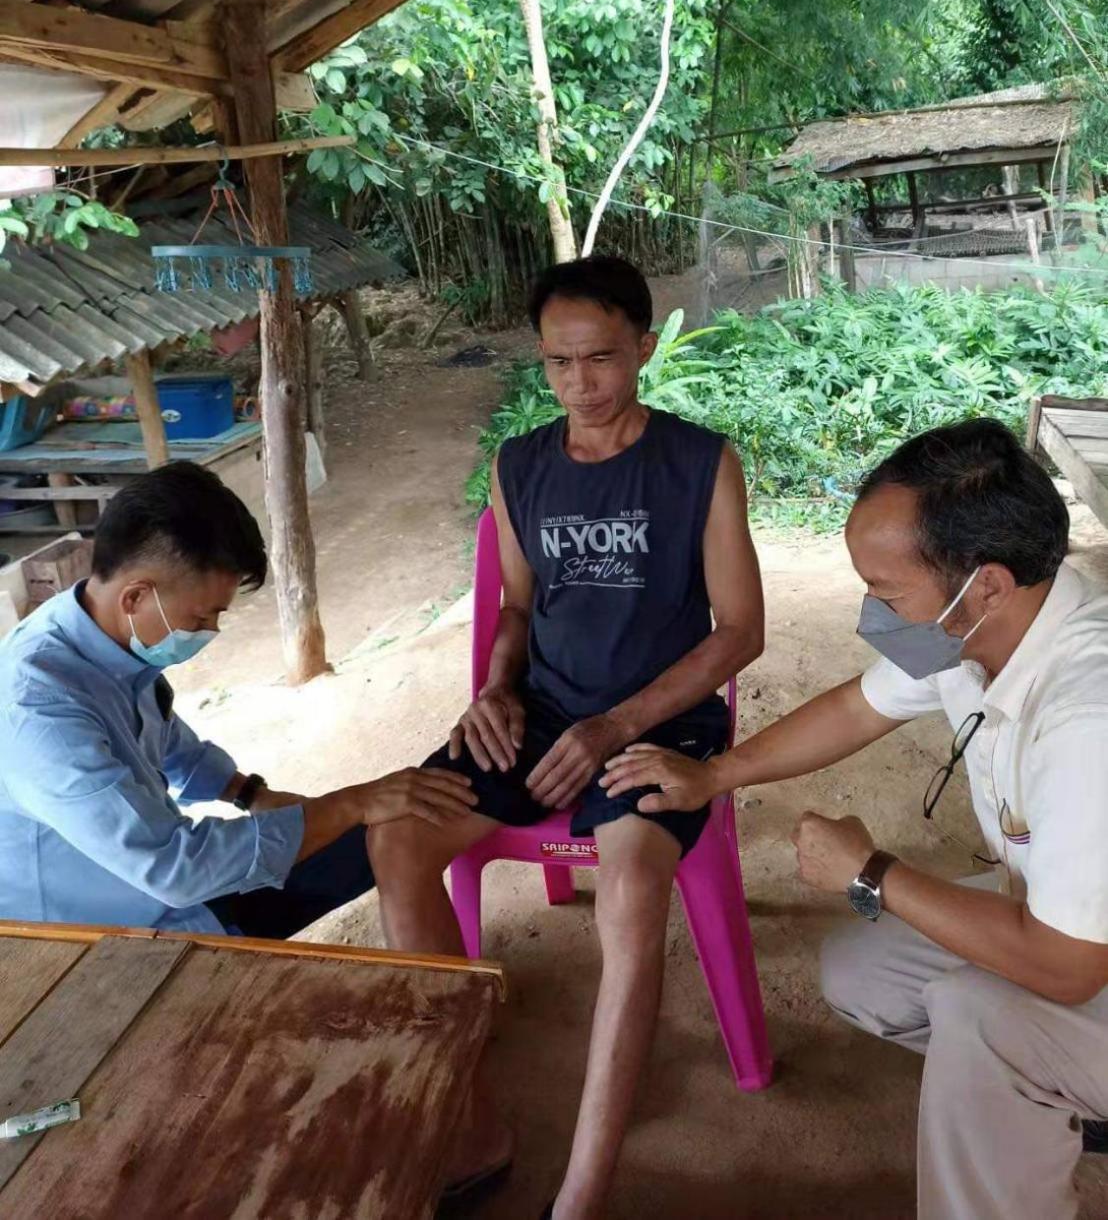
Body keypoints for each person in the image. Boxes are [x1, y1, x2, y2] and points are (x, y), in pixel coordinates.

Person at [603, 417, 1108, 1220]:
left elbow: (1070, 967)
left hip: (1081, 952)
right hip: (1067, 919)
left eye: (885, 591)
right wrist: (715, 775)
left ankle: (1033, 1098)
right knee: (864, 974)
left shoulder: (1088, 713)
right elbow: (857, 708)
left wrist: (873, 874)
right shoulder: (984, 632)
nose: (870, 610)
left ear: (986, 585)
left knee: (982, 1017)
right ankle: (1063, 1095)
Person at [368, 255, 765, 1220]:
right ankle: (465, 1125)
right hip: (538, 715)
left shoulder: (699, 463)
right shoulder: (521, 466)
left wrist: (615, 725)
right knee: (399, 835)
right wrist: (496, 689)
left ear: (641, 344)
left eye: (600, 358)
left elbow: (739, 631)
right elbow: (515, 608)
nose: (580, 385)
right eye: (558, 364)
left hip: (656, 723)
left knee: (628, 890)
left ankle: (582, 1192)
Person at [0, 461, 476, 941]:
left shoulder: (109, 646)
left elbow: (167, 741)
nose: (210, 631)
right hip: (90, 939)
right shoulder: (39, 711)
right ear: (135, 597)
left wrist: (250, 795)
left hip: (169, 892)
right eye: (202, 615)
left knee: (379, 832)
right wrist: (351, 802)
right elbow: (175, 870)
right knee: (361, 823)